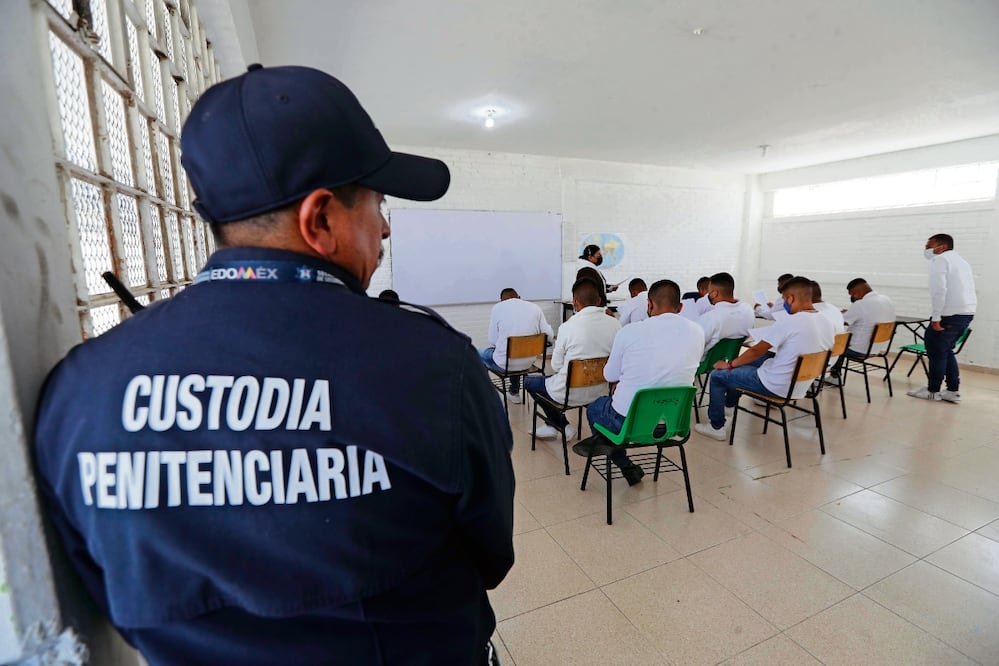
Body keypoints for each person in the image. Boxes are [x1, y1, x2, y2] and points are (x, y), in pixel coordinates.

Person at [33, 64, 515, 666]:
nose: (385, 226)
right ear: (320, 219)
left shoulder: (82, 391)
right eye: (377, 203)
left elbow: (102, 592)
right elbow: (491, 553)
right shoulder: (436, 369)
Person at [586, 280, 704, 485]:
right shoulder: (697, 331)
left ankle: (624, 464)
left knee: (595, 408)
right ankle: (617, 454)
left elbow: (608, 375)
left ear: (649, 305)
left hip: (629, 424)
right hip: (672, 425)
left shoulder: (629, 331)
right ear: (681, 307)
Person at [694, 276, 834, 441]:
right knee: (745, 363)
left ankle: (716, 426)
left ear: (791, 298)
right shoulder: (825, 320)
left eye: (784, 300)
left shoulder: (791, 321)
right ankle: (728, 406)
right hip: (802, 383)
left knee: (718, 374)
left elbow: (756, 351)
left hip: (776, 384)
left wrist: (729, 364)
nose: (785, 305)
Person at [526, 278, 619, 439]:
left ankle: (560, 425)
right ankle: (552, 425)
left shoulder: (567, 327)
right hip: (599, 392)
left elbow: (555, 366)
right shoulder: (615, 325)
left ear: (575, 303)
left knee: (529, 382)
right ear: (599, 300)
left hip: (568, 393)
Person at [908, 233, 977, 402]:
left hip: (949, 314)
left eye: (929, 246)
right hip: (966, 312)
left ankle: (933, 391)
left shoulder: (940, 260)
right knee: (946, 351)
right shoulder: (962, 261)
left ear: (943, 246)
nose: (926, 249)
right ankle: (952, 391)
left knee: (936, 351)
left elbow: (939, 290)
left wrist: (936, 317)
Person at [480, 287, 554, 403]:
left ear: (501, 301)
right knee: (514, 353)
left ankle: (485, 395)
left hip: (505, 365)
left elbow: (492, 340)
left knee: (479, 353)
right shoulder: (535, 308)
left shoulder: (498, 308)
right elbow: (549, 335)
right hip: (528, 363)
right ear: (519, 297)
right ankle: (514, 392)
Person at [829, 278, 894, 381]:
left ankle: (833, 376)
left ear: (857, 292)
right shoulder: (886, 299)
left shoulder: (861, 304)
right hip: (877, 348)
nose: (852, 298)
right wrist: (852, 312)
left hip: (857, 350)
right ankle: (835, 373)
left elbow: (842, 321)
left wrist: (837, 314)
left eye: (852, 295)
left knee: (829, 345)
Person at [696, 272, 755, 358]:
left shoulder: (710, 318)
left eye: (709, 292)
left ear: (715, 293)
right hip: (731, 358)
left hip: (704, 363)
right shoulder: (748, 310)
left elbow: (695, 345)